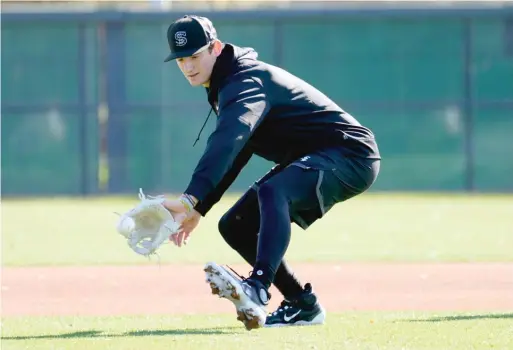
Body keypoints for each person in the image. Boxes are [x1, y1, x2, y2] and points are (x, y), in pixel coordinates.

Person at [161, 15, 381, 330]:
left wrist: (189, 198)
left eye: (195, 55)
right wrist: (199, 207)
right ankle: (301, 306)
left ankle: (257, 287)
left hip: (350, 154)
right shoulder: (225, 83)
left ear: (216, 48)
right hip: (317, 156)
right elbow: (238, 151)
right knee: (235, 226)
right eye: (181, 59)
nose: (188, 66)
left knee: (273, 191)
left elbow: (228, 142)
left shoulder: (244, 80)